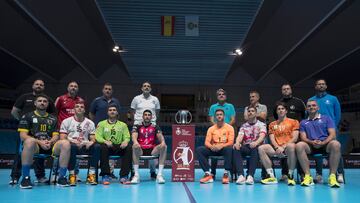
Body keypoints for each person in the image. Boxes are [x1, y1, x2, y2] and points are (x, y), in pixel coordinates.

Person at [18, 94, 71, 189]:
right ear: (35, 103)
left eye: (45, 101)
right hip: (35, 147)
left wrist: (50, 142)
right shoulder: (27, 116)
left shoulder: (53, 118)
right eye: (40, 101)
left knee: (65, 143)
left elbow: (56, 135)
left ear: (47, 104)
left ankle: (62, 177)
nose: (42, 103)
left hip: (50, 145)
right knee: (29, 141)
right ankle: (25, 178)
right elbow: (23, 136)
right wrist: (40, 142)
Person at [9, 79, 55, 185]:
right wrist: (23, 122)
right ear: (33, 85)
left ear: (44, 87)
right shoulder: (24, 97)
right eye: (37, 84)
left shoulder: (48, 99)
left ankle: (40, 176)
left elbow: (53, 115)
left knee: (40, 155)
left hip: (42, 132)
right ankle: (15, 176)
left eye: (41, 85)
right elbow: (14, 111)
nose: (39, 86)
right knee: (20, 153)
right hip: (25, 131)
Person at [295, 100, 341, 188]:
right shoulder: (303, 122)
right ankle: (308, 176)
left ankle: (332, 177)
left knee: (336, 144)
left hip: (325, 144)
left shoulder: (327, 118)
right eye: (309, 106)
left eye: (313, 105)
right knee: (299, 145)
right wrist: (312, 142)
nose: (311, 107)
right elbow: (303, 137)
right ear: (306, 109)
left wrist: (323, 142)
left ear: (318, 107)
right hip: (311, 145)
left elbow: (332, 134)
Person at [308, 79, 343, 183]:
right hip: (316, 131)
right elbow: (308, 115)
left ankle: (339, 173)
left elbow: (338, 114)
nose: (321, 86)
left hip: (331, 130)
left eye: (323, 84)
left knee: (336, 149)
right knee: (318, 151)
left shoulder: (333, 99)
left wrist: (332, 127)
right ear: (315, 86)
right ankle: (319, 174)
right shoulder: (311, 100)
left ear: (326, 86)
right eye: (319, 84)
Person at [59, 102, 100, 186]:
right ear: (74, 110)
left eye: (82, 107)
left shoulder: (90, 123)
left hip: (84, 146)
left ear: (84, 110)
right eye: (77, 107)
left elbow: (92, 138)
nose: (79, 108)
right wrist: (73, 141)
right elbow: (63, 137)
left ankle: (91, 174)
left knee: (97, 146)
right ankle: (72, 175)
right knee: (72, 146)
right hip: (72, 145)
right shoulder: (67, 121)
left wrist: (90, 142)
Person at [259, 102, 299, 185]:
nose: (280, 110)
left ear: (286, 111)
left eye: (282, 109)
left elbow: (295, 138)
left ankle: (290, 176)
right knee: (261, 148)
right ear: (276, 111)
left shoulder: (294, 122)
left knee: (292, 146)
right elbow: (272, 138)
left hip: (287, 147)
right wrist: (277, 147)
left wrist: (283, 147)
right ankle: (271, 176)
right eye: (278, 109)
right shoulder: (272, 124)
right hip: (277, 148)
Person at [273, 83, 306, 181]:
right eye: (284, 89)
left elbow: (304, 115)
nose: (286, 90)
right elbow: (276, 117)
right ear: (281, 91)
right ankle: (285, 174)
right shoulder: (278, 103)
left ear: (291, 90)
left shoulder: (299, 102)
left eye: (288, 89)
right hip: (283, 132)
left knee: (299, 150)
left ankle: (302, 174)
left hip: (296, 132)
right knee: (283, 149)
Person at [54, 81, 84, 182]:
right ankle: (56, 173)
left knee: (76, 151)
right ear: (68, 88)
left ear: (78, 89)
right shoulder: (61, 99)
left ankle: (75, 173)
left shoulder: (80, 100)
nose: (73, 88)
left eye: (75, 86)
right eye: (71, 86)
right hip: (62, 131)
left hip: (76, 131)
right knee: (59, 153)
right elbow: (54, 114)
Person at [89, 82, 121, 179]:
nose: (107, 90)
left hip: (112, 130)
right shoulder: (97, 101)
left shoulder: (116, 101)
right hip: (100, 130)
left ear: (112, 91)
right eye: (106, 89)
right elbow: (91, 114)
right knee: (100, 149)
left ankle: (110, 172)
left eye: (109, 89)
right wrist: (94, 125)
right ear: (103, 90)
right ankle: (100, 171)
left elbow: (117, 114)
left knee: (110, 147)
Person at [96, 104, 132, 185]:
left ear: (117, 112)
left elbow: (127, 136)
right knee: (102, 148)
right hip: (107, 146)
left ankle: (124, 176)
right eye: (110, 110)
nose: (112, 111)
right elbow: (98, 136)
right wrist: (105, 141)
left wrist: (125, 141)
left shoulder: (123, 124)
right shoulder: (101, 124)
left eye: (114, 110)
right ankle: (105, 175)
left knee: (129, 147)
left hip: (119, 146)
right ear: (107, 112)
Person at [130, 81, 160, 179]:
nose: (146, 87)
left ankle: (152, 171)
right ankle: (134, 172)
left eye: (148, 86)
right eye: (144, 86)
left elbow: (157, 112)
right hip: (138, 126)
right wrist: (138, 121)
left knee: (152, 147)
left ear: (150, 89)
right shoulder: (136, 99)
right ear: (141, 88)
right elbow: (132, 111)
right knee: (135, 147)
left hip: (152, 126)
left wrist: (152, 122)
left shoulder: (155, 99)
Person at [196, 109, 234, 184]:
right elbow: (206, 142)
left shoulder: (230, 128)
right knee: (199, 150)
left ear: (224, 116)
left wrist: (221, 146)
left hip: (224, 149)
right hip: (213, 149)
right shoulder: (211, 129)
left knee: (229, 149)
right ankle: (208, 174)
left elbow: (231, 142)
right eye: (217, 115)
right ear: (215, 117)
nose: (219, 116)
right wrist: (211, 147)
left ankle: (226, 174)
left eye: (220, 114)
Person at [130, 110, 167, 184]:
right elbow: (134, 135)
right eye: (145, 115)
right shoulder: (137, 126)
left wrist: (163, 142)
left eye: (149, 115)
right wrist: (135, 142)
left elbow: (160, 136)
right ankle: (136, 175)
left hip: (152, 150)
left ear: (151, 117)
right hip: (141, 149)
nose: (147, 116)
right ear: (143, 116)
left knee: (164, 146)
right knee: (134, 146)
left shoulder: (155, 126)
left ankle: (159, 175)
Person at [233, 106, 266, 185]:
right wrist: (237, 143)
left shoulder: (261, 124)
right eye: (249, 111)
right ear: (247, 114)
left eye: (252, 111)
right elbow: (240, 136)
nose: (250, 112)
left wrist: (256, 142)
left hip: (258, 147)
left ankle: (250, 176)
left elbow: (262, 136)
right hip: (247, 147)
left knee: (254, 149)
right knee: (236, 148)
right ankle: (241, 175)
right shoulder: (244, 126)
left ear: (256, 113)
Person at [208, 88, 236, 178]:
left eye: (223, 94)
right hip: (215, 132)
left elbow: (233, 119)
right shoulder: (213, 107)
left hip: (228, 132)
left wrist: (225, 128)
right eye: (219, 94)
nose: (221, 95)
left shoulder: (230, 106)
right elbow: (211, 119)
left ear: (225, 96)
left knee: (229, 151)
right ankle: (212, 173)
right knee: (214, 149)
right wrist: (218, 128)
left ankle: (229, 172)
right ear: (217, 97)